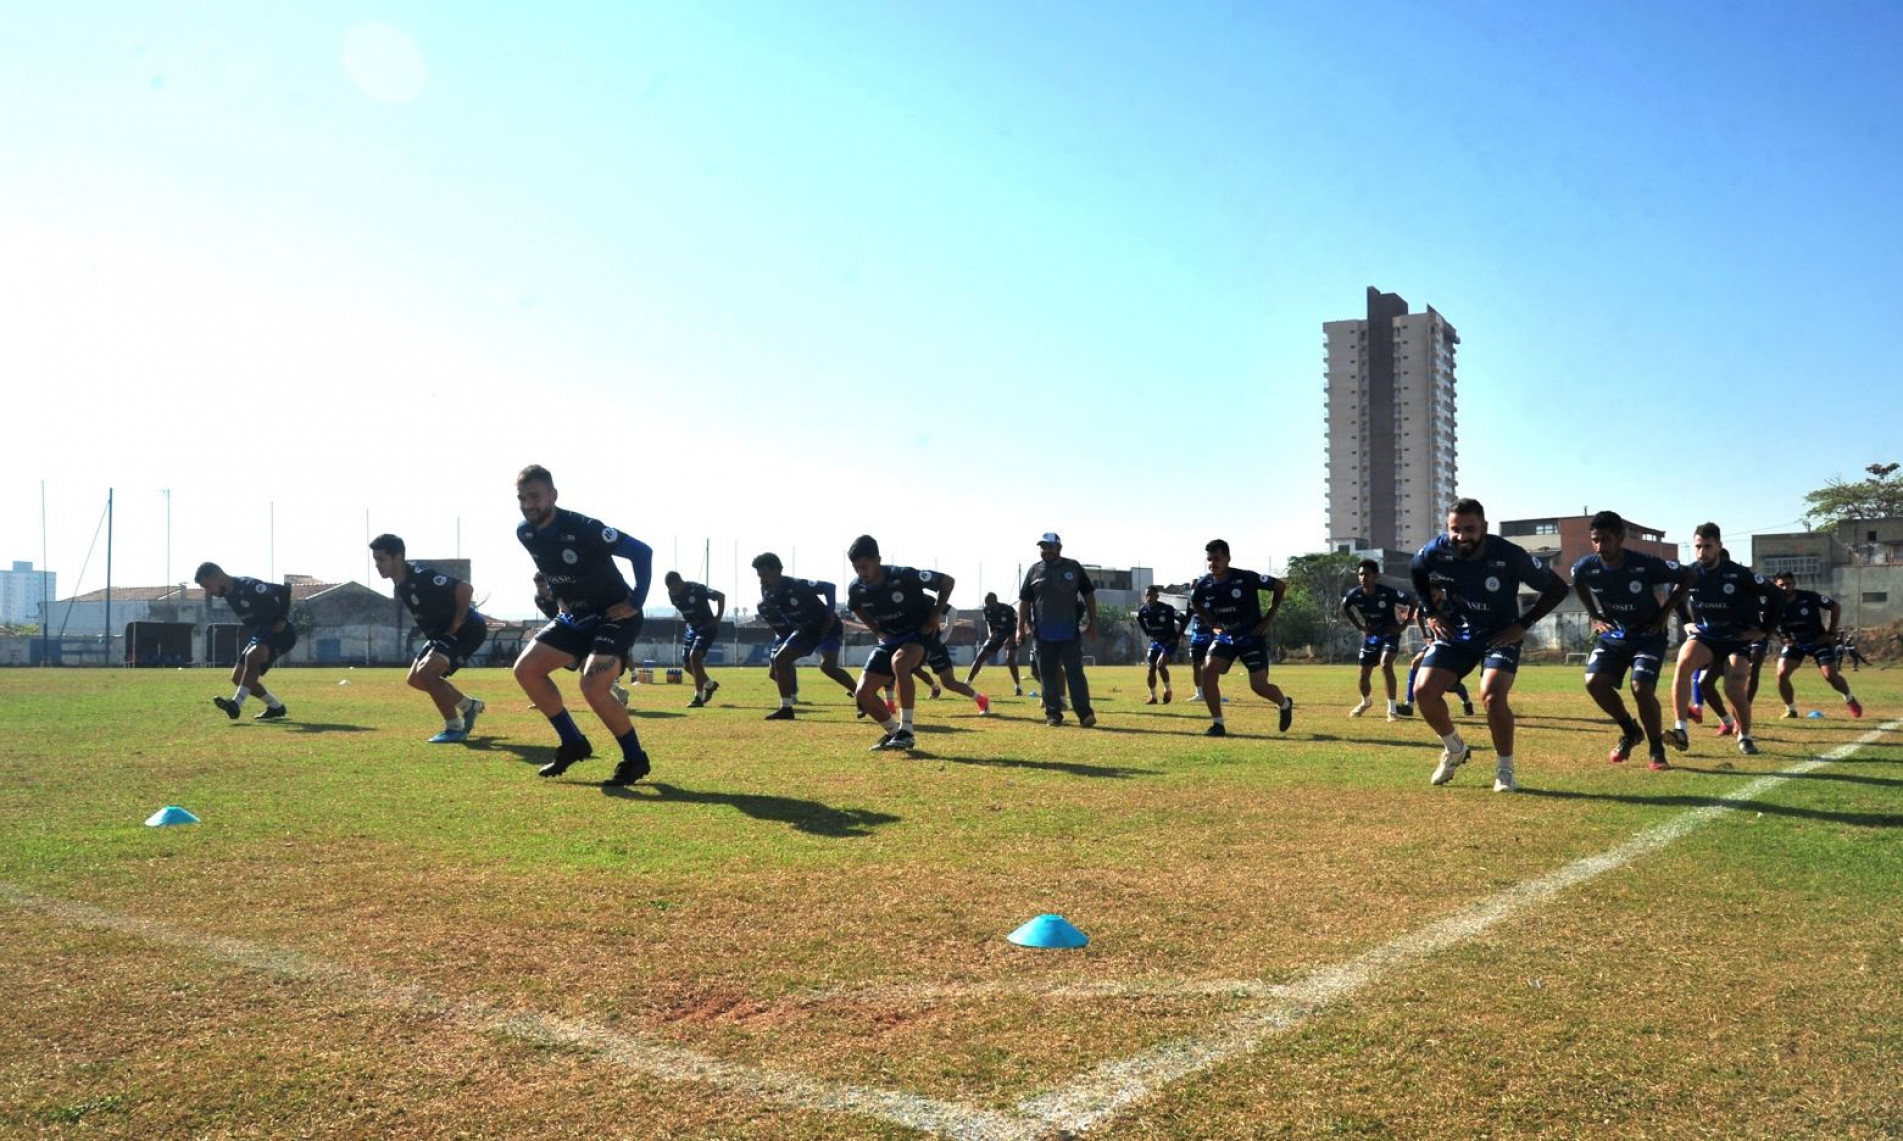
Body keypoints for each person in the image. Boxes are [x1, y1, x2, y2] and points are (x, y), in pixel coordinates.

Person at [1411, 498, 1570, 792]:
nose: (1461, 536)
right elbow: (1416, 569)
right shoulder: (1437, 550)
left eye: (1469, 529)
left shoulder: (1509, 555)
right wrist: (1431, 612)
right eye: (1454, 529)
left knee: (1493, 697)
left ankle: (1505, 770)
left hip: (1499, 634)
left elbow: (1558, 588)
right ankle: (1454, 748)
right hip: (1457, 632)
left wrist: (1522, 625)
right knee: (1423, 690)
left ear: (1483, 527)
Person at [511, 464, 654, 786]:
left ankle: (635, 759)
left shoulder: (585, 528)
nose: (528, 504)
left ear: (553, 495)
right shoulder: (525, 532)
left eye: (534, 496)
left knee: (592, 686)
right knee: (526, 670)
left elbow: (642, 552)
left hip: (613, 615)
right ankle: (573, 743)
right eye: (521, 498)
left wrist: (636, 602)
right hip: (575, 617)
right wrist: (561, 597)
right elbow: (551, 566)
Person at [1569, 511, 1694, 771]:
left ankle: (1656, 750)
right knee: (1594, 682)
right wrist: (1594, 616)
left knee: (1641, 688)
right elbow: (1577, 582)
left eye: (1606, 539)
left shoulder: (1644, 563)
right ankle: (1630, 730)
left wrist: (1664, 613)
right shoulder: (1586, 566)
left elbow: (1688, 577)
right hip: (1614, 635)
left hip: (1648, 636)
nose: (1600, 546)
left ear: (1620, 538)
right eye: (1595, 540)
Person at [845, 535, 972, 750]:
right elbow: (855, 606)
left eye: (865, 567)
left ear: (878, 559)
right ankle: (893, 733)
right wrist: (876, 630)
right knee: (863, 693)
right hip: (890, 639)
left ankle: (907, 731)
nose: (861, 573)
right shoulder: (856, 587)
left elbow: (947, 581)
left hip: (919, 634)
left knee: (900, 663)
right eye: (857, 569)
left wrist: (935, 615)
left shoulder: (903, 575)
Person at [1666, 523, 1782, 757]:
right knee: (1683, 664)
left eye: (1707, 546)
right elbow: (1676, 595)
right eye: (1698, 546)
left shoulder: (1738, 574)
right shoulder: (1690, 573)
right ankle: (1681, 730)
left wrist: (1763, 630)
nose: (1702, 552)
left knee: (1733, 690)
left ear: (1719, 546)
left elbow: (1777, 595)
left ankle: (1745, 736)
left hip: (1735, 639)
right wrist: (1687, 621)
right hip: (1707, 636)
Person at [370, 534, 489, 743]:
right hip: (440, 635)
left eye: (381, 559)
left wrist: (457, 622)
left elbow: (464, 588)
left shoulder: (421, 576)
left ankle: (454, 728)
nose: (377, 565)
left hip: (467, 630)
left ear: (397, 557)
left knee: (427, 673)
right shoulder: (400, 583)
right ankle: (468, 706)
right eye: (375, 560)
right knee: (415, 679)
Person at [1190, 539, 1295, 737]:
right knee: (1208, 672)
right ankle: (1218, 724)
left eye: (1217, 559)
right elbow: (1195, 602)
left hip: (1251, 636)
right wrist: (1212, 623)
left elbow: (1280, 586)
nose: (1213, 563)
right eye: (1209, 559)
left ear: (1228, 559)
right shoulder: (1205, 583)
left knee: (1259, 686)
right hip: (1226, 637)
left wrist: (1268, 619)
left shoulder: (1245, 578)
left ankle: (1285, 704)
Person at [753, 552, 856, 720]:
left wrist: (829, 614)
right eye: (759, 576)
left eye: (764, 575)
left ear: (778, 570)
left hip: (826, 627)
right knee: (780, 660)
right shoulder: (768, 593)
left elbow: (829, 587)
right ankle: (786, 708)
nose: (761, 580)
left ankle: (861, 696)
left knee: (827, 667)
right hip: (805, 631)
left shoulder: (796, 584)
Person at [194, 562, 294, 721]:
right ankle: (276, 707)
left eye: (207, 586)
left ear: (217, 577)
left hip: (281, 634)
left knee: (252, 656)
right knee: (237, 677)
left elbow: (284, 590)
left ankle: (236, 704)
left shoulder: (249, 586)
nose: (208, 592)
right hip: (261, 635)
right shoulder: (229, 593)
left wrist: (282, 618)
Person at [1018, 532, 1098, 728]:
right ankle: (1053, 714)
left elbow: (1088, 595)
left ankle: (1085, 713)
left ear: (1059, 548)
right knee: (1047, 675)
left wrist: (1093, 621)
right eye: (1043, 547)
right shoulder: (1034, 570)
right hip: (1042, 633)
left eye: (1050, 547)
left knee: (1075, 673)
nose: (1046, 551)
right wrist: (1020, 627)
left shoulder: (1073, 567)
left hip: (1069, 632)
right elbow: (1024, 601)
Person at [1770, 572, 1863, 719]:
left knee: (1830, 676)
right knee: (1781, 674)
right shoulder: (1773, 602)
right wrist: (1780, 636)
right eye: (1781, 585)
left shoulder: (1808, 596)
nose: (1785, 587)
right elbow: (1763, 619)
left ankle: (1849, 698)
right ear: (1775, 586)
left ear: (1794, 584)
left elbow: (1835, 607)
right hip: (1795, 643)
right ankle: (1791, 710)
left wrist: (1831, 632)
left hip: (1818, 641)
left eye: (1788, 584)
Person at [534, 571, 631, 706]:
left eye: (544, 585)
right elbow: (557, 618)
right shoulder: (539, 600)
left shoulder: (563, 593)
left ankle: (617, 690)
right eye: (539, 587)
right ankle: (541, 697)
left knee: (586, 669)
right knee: (542, 661)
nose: (543, 590)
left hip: (583, 631)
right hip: (567, 631)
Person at [1340, 560, 1413, 720]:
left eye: (1367, 574)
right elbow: (1344, 606)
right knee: (1363, 674)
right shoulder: (1355, 594)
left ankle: (1392, 711)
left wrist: (1403, 625)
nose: (1363, 577)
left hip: (1390, 633)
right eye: (1360, 574)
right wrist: (1360, 627)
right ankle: (1366, 702)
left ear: (1376, 576)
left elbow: (1413, 601)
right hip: (1372, 636)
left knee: (1386, 664)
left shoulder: (1388, 592)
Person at [1396, 598, 1474, 718]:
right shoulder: (1425, 603)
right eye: (1428, 593)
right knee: (1416, 662)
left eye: (1433, 593)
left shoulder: (1451, 604)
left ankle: (1466, 702)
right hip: (1436, 643)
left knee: (1450, 683)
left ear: (1440, 592)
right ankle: (1409, 705)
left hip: (1452, 644)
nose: (1431, 596)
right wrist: (1425, 635)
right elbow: (1418, 616)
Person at [666, 571, 726, 708]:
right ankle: (710, 685)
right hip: (692, 629)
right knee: (687, 666)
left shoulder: (697, 589)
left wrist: (718, 618)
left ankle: (698, 698)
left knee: (695, 657)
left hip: (706, 627)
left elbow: (721, 596)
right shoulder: (672, 595)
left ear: (680, 582)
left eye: (674, 588)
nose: (673, 592)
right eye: (670, 590)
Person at [966, 592, 1024, 695]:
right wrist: (991, 633)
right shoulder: (986, 610)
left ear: (996, 602)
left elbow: (1019, 626)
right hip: (997, 635)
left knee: (1010, 659)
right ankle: (967, 684)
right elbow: (989, 624)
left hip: (1011, 634)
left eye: (991, 605)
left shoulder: (1008, 609)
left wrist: (1011, 638)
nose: (990, 608)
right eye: (987, 605)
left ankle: (1018, 687)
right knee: (980, 657)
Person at [1136, 584, 1185, 704]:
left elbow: (1183, 619)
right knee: (1151, 669)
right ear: (1145, 597)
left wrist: (1178, 636)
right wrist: (1147, 631)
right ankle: (1153, 697)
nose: (1149, 597)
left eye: (1152, 595)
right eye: (1147, 595)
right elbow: (1139, 619)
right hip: (1155, 641)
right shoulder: (1143, 610)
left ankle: (1168, 691)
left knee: (1160, 665)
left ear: (1157, 596)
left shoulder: (1167, 608)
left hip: (1169, 641)